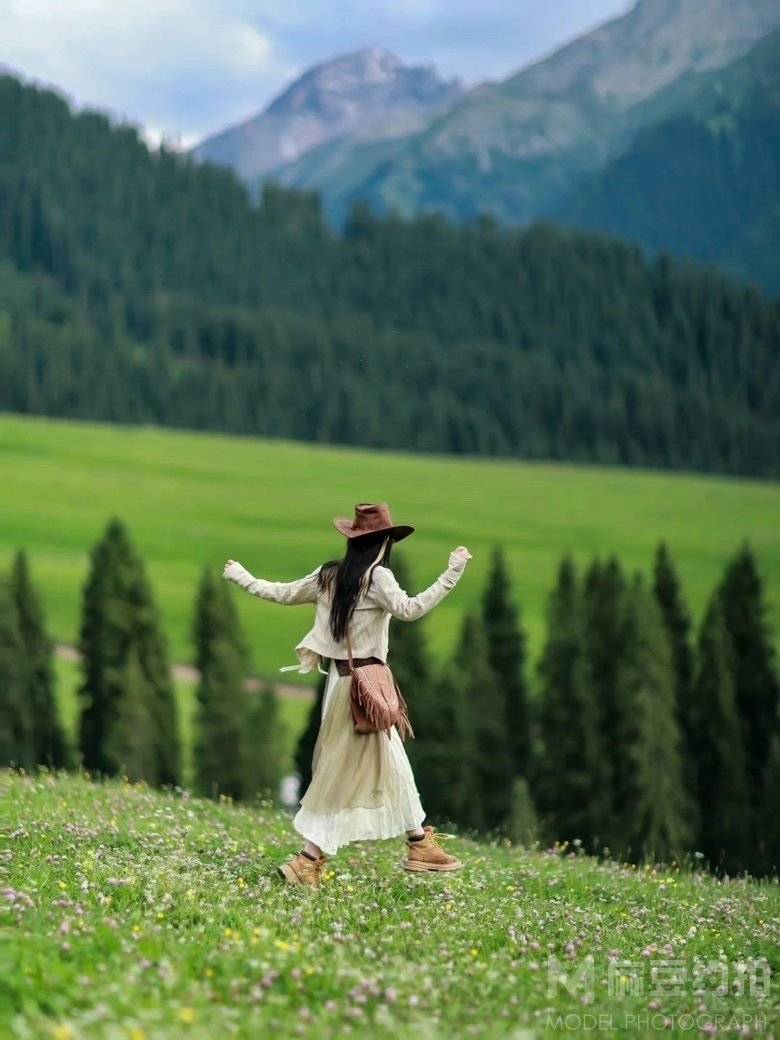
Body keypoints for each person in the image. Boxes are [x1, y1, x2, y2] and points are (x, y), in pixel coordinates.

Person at [222, 501, 472, 886]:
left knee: (389, 763)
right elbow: (410, 609)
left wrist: (242, 576)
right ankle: (307, 861)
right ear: (383, 543)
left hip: (341, 686)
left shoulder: (329, 577)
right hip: (367, 689)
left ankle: (419, 843)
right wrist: (452, 572)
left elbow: (281, 593)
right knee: (341, 775)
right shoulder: (379, 579)